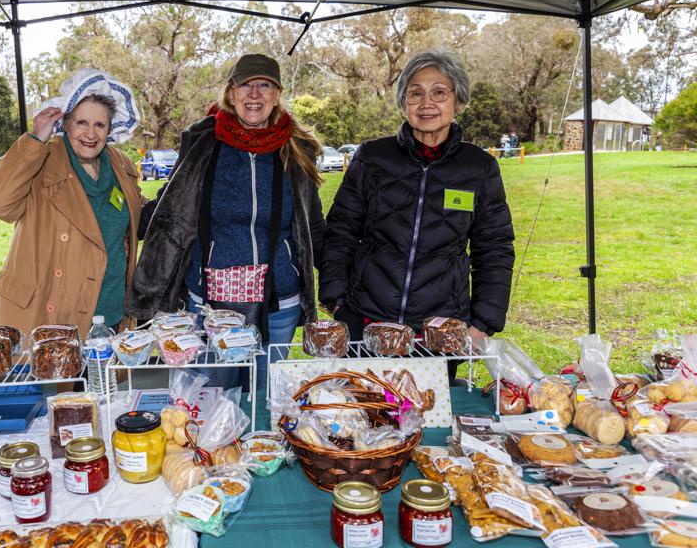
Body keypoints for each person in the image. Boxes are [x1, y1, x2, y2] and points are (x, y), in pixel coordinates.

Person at [126, 53, 327, 390]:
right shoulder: (203, 143)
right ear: (231, 93)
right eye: (245, 85)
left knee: (266, 399)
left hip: (278, 305)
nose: (254, 94)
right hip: (210, 307)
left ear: (277, 95)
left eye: (265, 86)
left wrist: (335, 284)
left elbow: (313, 225)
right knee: (210, 397)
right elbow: (172, 207)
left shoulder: (297, 149)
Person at [319, 48, 515, 384]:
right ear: (403, 101)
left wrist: (483, 322)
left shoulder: (479, 168)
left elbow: (494, 248)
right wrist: (336, 298)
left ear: (459, 102)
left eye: (439, 92)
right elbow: (340, 230)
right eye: (416, 93)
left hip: (438, 332)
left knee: (429, 422)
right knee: (359, 421)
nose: (427, 104)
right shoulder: (372, 157)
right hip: (366, 322)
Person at [0, 68, 145, 339]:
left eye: (99, 125)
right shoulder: (42, 159)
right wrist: (34, 141)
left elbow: (135, 214)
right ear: (65, 123)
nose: (90, 134)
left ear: (109, 129)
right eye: (81, 122)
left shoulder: (119, 164)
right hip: (51, 316)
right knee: (57, 383)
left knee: (103, 383)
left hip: (110, 315)